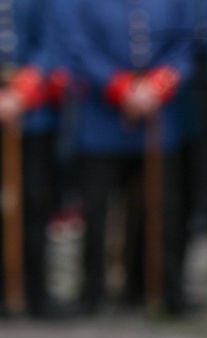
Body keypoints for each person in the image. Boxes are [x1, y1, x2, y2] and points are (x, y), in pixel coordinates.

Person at [59, 0, 193, 317]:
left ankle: (159, 286)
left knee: (161, 206)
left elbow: (185, 44)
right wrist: (120, 87)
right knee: (97, 209)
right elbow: (78, 45)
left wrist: (156, 86)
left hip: (157, 114)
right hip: (102, 118)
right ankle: (91, 290)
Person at [0, 0, 60, 319]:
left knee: (36, 201)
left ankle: (36, 290)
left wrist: (21, 94)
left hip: (31, 113)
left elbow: (52, 41)